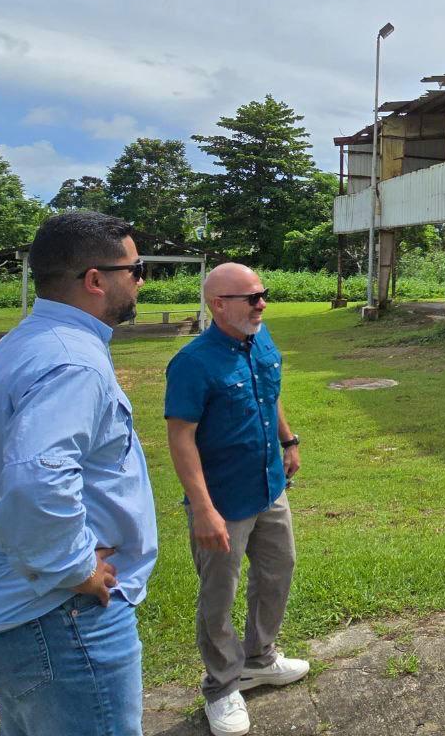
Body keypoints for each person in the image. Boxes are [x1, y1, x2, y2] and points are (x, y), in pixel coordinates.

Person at [0, 210, 158, 736]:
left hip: (4, 607)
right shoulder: (73, 361)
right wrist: (75, 568)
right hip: (58, 619)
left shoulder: (29, 341)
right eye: (135, 267)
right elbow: (38, 477)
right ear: (94, 280)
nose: (141, 279)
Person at [164, 263, 306, 736]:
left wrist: (288, 441)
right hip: (222, 500)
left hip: (269, 486)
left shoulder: (259, 339)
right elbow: (181, 438)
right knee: (218, 595)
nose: (261, 303)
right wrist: (202, 508)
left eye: (263, 294)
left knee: (277, 571)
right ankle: (222, 687)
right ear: (218, 304)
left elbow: (271, 393)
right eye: (251, 297)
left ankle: (259, 659)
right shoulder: (193, 363)